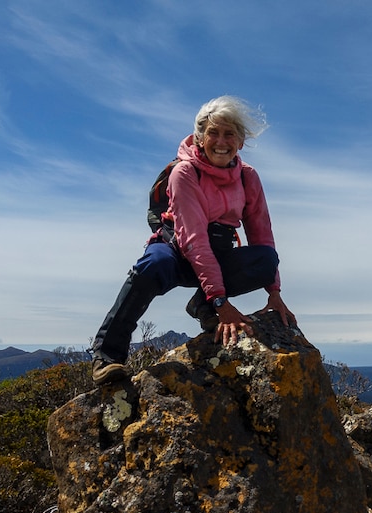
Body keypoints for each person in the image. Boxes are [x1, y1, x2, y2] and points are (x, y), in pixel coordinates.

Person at [90, 96, 296, 385]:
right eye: (213, 132)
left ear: (241, 141)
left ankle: (201, 304)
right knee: (151, 265)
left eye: (229, 134)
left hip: (219, 252)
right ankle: (107, 355)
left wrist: (274, 291)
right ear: (200, 137)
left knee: (265, 259)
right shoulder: (184, 172)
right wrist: (221, 303)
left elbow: (261, 231)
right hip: (177, 251)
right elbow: (194, 241)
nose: (221, 141)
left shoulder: (248, 177)